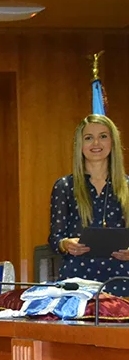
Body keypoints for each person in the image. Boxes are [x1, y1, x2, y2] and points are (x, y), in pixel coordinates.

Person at [49, 114, 129, 296]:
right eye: (88, 138)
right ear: (80, 145)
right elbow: (55, 239)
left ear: (113, 142)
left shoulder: (128, 186)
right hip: (77, 281)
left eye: (103, 136)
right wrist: (65, 244)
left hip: (122, 280)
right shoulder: (65, 186)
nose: (96, 144)